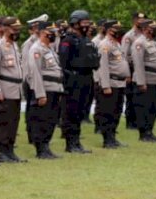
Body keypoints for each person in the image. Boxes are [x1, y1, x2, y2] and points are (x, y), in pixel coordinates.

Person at [58, 10, 100, 153]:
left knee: (81, 111)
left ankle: (77, 141)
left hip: (86, 77)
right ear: (75, 23)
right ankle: (71, 143)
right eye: (84, 22)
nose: (87, 25)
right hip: (73, 80)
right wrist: (68, 80)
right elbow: (63, 63)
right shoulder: (68, 40)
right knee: (72, 112)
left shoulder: (85, 40)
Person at [0, 17, 26, 163]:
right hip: (5, 89)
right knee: (4, 121)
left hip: (15, 89)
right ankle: (2, 152)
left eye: (18, 30)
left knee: (14, 121)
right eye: (14, 29)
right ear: (4, 29)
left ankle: (10, 151)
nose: (16, 32)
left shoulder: (14, 46)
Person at [27, 20, 64, 159]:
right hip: (45, 89)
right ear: (43, 33)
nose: (54, 35)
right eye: (52, 32)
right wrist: (40, 94)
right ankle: (40, 149)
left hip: (54, 88)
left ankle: (46, 146)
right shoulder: (36, 49)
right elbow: (35, 72)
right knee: (41, 119)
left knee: (51, 119)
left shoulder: (49, 49)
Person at [95, 20, 131, 148]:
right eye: (117, 28)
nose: (119, 30)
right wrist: (105, 86)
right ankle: (107, 139)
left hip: (119, 83)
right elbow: (102, 66)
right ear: (110, 30)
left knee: (116, 111)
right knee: (108, 112)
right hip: (111, 83)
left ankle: (113, 137)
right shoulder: (105, 44)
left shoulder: (116, 44)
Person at [132, 21, 156, 142]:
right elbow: (138, 63)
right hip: (147, 80)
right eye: (153, 28)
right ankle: (143, 134)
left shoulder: (152, 42)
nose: (155, 30)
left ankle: (150, 131)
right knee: (144, 108)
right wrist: (141, 82)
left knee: (153, 108)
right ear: (145, 29)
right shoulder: (140, 42)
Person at [123, 13, 148, 130]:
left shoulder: (146, 34)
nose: (141, 21)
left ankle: (139, 120)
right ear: (134, 20)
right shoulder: (129, 36)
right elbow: (124, 55)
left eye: (143, 19)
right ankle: (130, 122)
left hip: (142, 68)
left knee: (141, 97)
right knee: (131, 96)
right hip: (131, 67)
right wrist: (127, 73)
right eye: (139, 19)